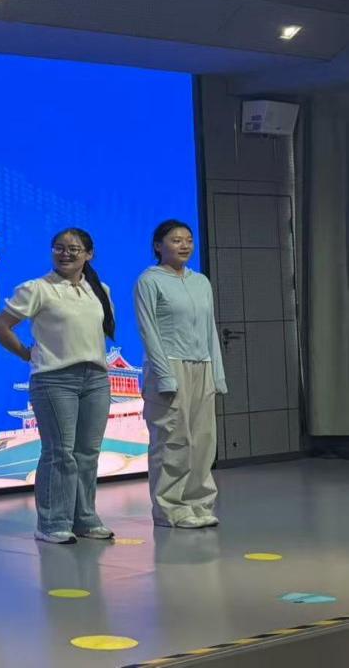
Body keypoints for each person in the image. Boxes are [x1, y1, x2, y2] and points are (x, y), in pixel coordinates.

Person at [0, 228, 117, 544]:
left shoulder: (99, 289)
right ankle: (52, 522)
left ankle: (85, 518)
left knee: (87, 453)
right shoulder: (37, 288)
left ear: (89, 254)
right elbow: (1, 326)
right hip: (54, 379)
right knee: (60, 452)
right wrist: (26, 353)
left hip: (96, 378)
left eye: (74, 249)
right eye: (59, 248)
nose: (65, 254)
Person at [134, 219, 227, 529]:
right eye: (176, 240)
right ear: (158, 246)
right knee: (172, 440)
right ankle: (170, 509)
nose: (185, 245)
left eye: (188, 239)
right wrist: (164, 375)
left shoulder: (200, 281)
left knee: (203, 440)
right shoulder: (149, 280)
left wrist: (217, 374)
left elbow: (209, 329)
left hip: (202, 365)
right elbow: (149, 331)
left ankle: (199, 503)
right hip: (170, 365)